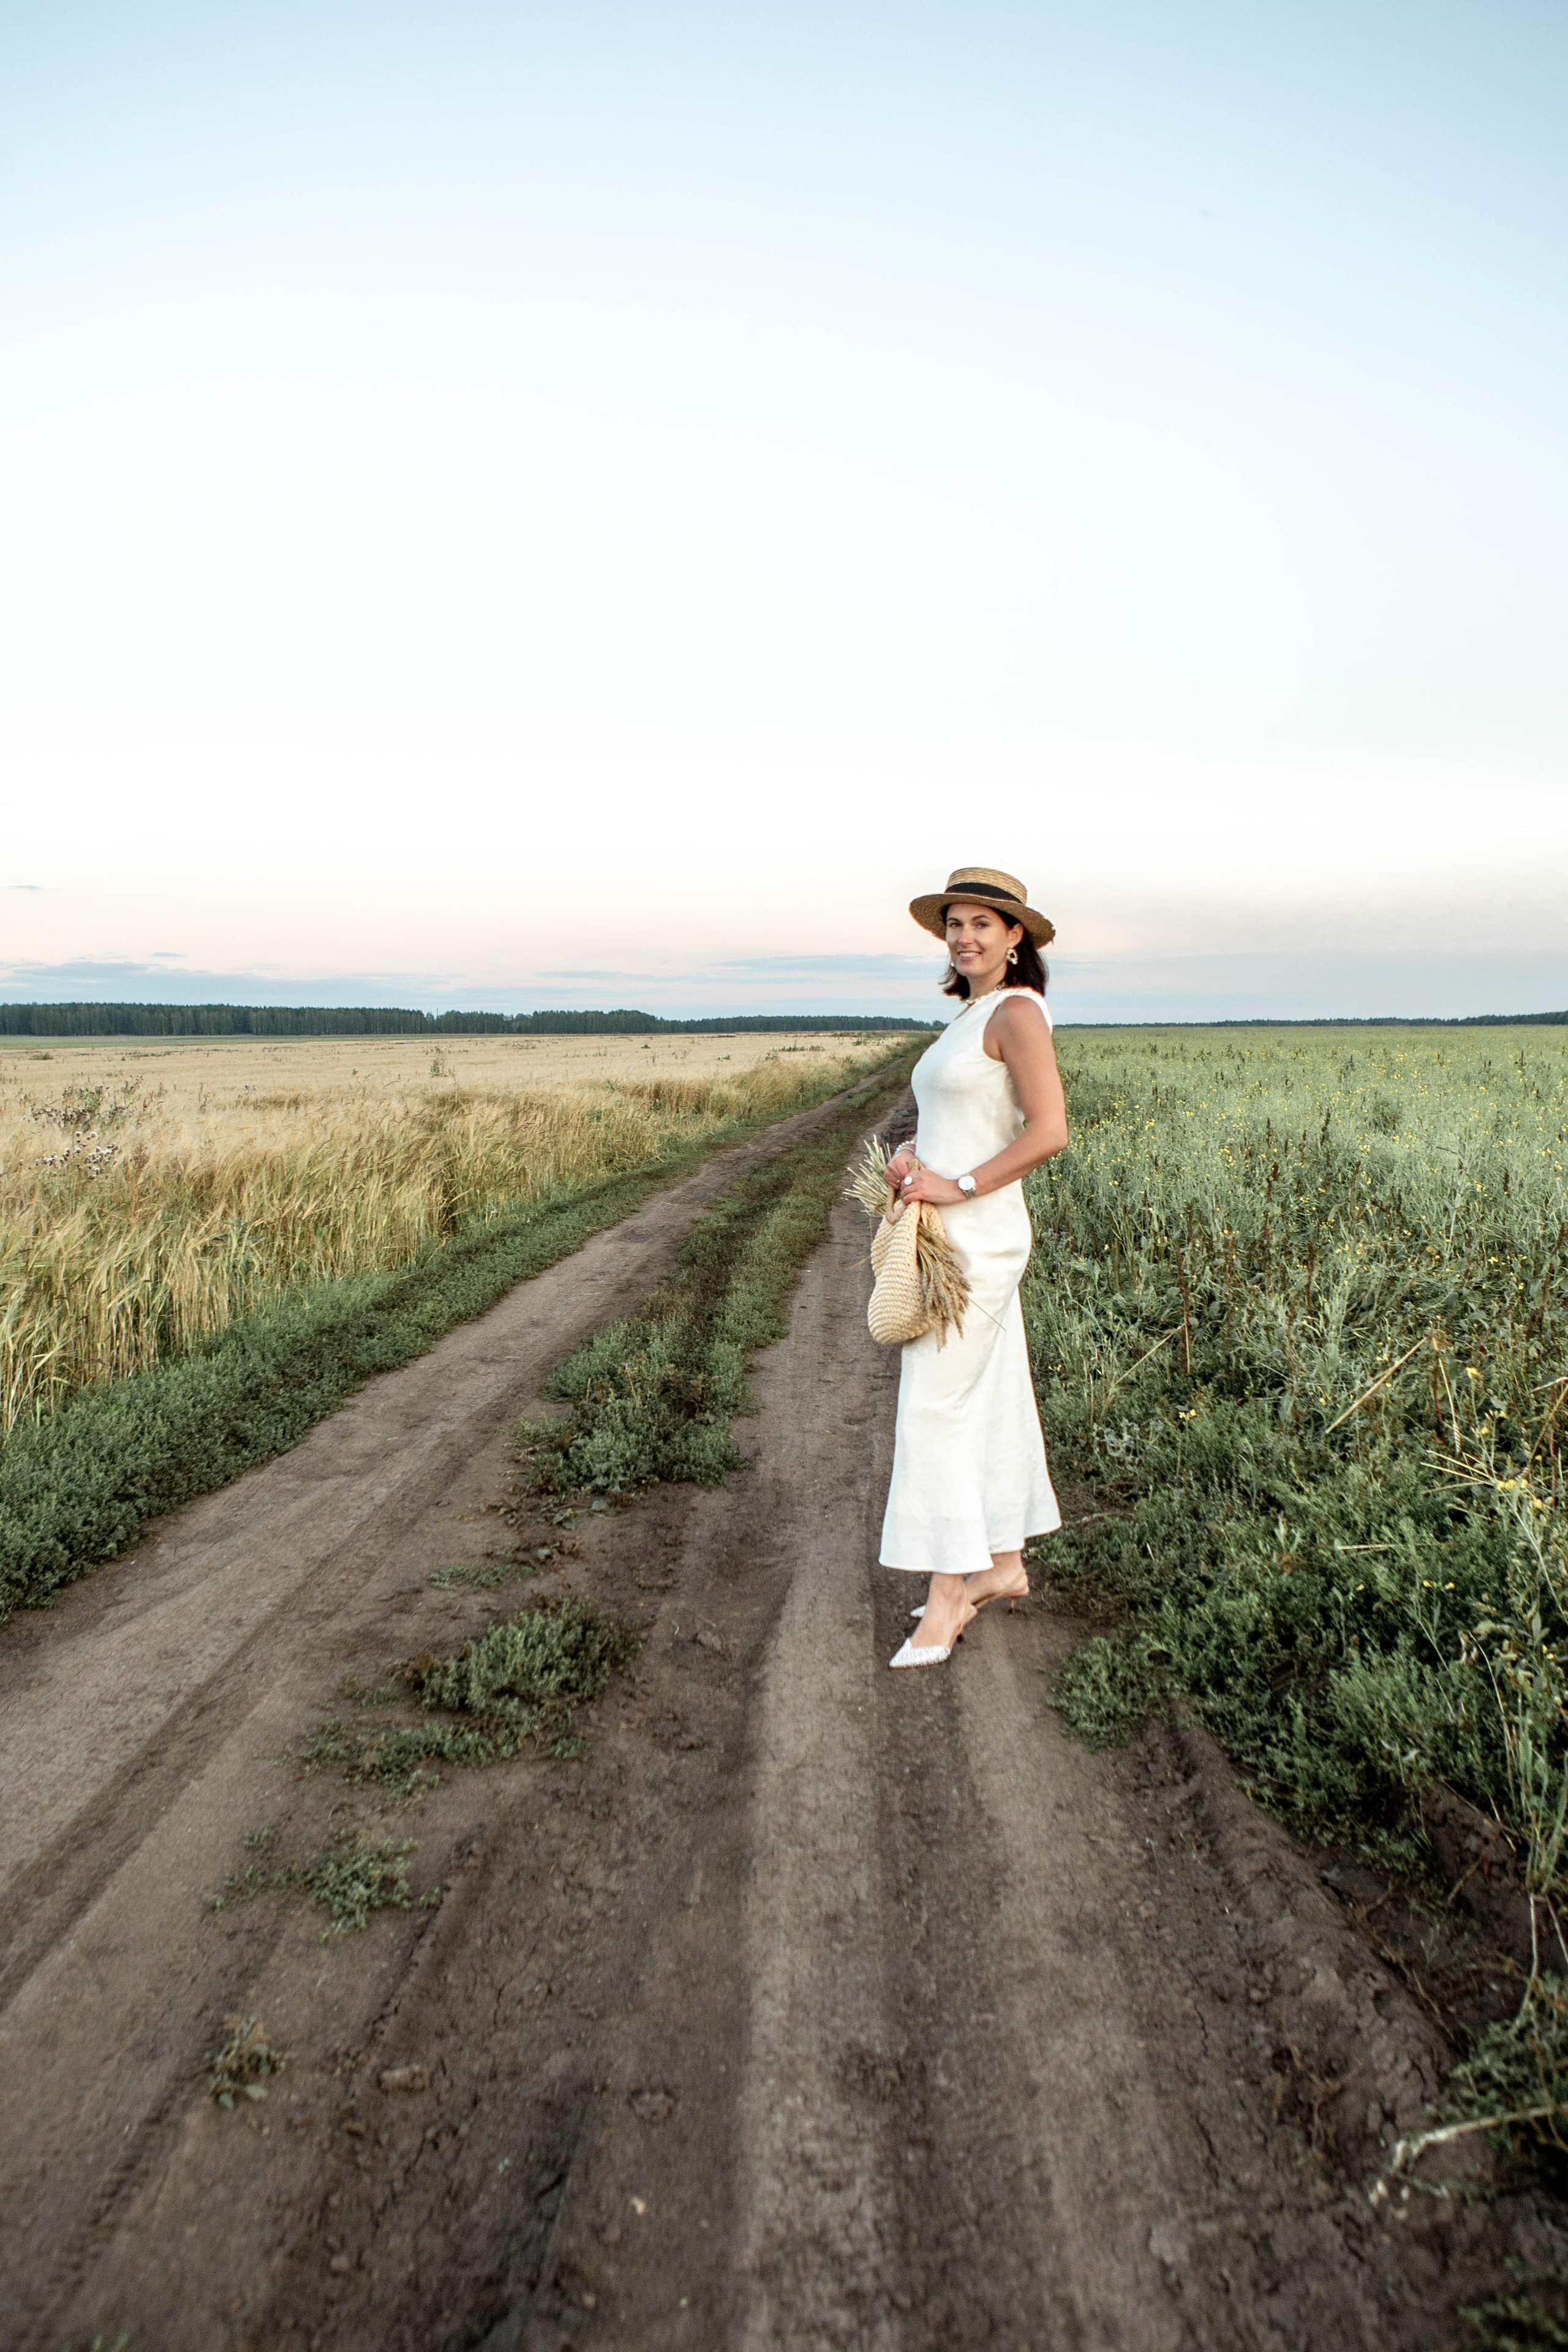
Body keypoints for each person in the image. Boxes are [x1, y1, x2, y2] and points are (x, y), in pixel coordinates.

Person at [881, 866, 1069, 1668]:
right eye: (954, 924)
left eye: (982, 925)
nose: (964, 937)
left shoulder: (1019, 1011)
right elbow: (957, 1116)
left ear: (1015, 935)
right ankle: (1002, 1566)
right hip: (949, 1232)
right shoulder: (971, 1015)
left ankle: (951, 1591)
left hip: (980, 1236)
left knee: (934, 1407)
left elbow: (1048, 1130)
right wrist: (910, 1153)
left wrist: (955, 1185)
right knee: (985, 1395)